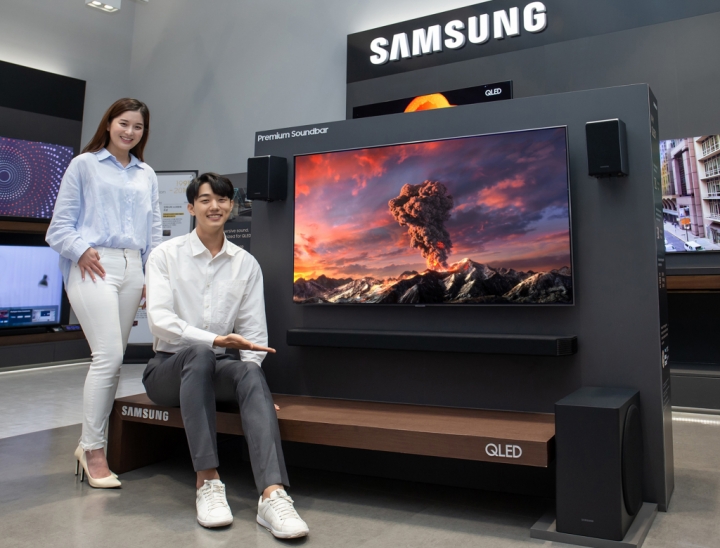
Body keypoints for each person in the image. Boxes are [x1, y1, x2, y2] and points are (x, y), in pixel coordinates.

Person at [143, 173, 309, 538]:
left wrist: (254, 392)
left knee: (248, 373)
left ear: (231, 206)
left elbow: (254, 334)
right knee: (200, 353)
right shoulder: (165, 256)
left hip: (216, 369)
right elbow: (160, 322)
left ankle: (273, 495)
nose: (214, 206)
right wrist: (215, 340)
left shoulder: (245, 263)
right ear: (191, 208)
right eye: (205, 200)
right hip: (167, 370)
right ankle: (207, 482)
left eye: (222, 199)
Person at [46, 98, 162, 488]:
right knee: (108, 355)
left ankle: (96, 443)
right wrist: (81, 250)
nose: (130, 132)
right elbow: (58, 228)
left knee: (113, 360)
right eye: (123, 123)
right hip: (93, 263)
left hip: (133, 267)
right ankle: (92, 449)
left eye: (138, 127)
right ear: (109, 123)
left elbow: (153, 230)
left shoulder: (147, 174)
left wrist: (150, 275)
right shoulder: (84, 165)